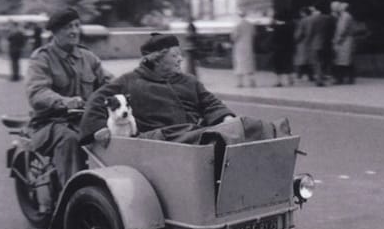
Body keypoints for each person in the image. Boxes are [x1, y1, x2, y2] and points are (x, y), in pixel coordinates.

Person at [79, 33, 288, 148]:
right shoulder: (130, 81)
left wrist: (225, 118)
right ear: (157, 58)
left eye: (180, 54)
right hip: (160, 141)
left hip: (192, 137)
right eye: (175, 55)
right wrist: (100, 129)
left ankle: (274, 133)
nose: (181, 59)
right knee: (207, 135)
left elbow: (211, 103)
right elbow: (97, 99)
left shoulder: (189, 81)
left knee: (246, 125)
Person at [25, 7, 112, 192]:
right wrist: (63, 101)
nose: (74, 31)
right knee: (70, 140)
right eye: (67, 27)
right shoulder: (42, 58)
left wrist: (129, 87)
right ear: (55, 32)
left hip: (83, 120)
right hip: (49, 124)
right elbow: (37, 92)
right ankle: (72, 196)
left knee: (115, 133)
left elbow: (108, 83)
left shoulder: (87, 57)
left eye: (76, 25)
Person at [306, 3, 334, 86]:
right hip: (326, 42)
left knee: (317, 62)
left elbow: (310, 32)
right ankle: (323, 77)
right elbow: (332, 30)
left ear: (317, 10)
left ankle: (319, 80)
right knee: (324, 61)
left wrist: (308, 41)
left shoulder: (313, 19)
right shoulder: (328, 18)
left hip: (316, 43)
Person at [231, 9, 256, 88]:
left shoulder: (237, 25)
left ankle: (240, 82)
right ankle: (251, 81)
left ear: (238, 15)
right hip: (249, 46)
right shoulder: (250, 24)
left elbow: (234, 37)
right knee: (249, 63)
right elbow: (254, 34)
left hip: (239, 46)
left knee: (239, 63)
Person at [333, 2, 356, 84]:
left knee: (342, 60)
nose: (337, 9)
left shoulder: (345, 17)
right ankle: (350, 79)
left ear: (342, 9)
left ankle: (340, 79)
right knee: (346, 60)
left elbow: (342, 30)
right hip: (346, 40)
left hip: (345, 41)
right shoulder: (344, 16)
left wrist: (338, 40)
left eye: (339, 7)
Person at [270, 12, 294, 87]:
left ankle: (279, 81)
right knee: (287, 63)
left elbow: (273, 38)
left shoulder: (276, 28)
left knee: (278, 65)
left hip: (278, 48)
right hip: (288, 48)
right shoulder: (289, 27)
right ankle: (290, 79)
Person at [293, 7, 313, 81]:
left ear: (304, 13)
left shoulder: (303, 21)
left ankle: (299, 75)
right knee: (309, 60)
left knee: (301, 60)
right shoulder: (313, 19)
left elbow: (299, 33)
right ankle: (310, 75)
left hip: (303, 42)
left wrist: (295, 39)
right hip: (312, 42)